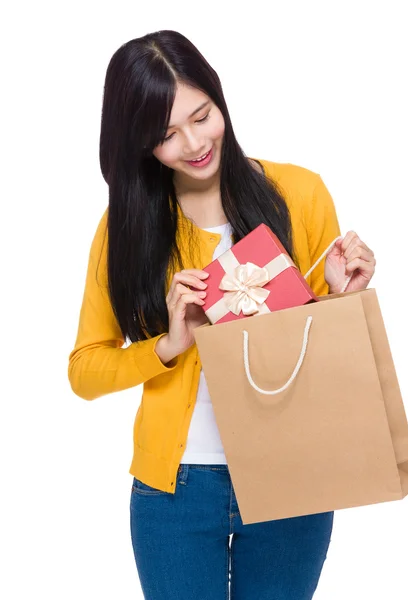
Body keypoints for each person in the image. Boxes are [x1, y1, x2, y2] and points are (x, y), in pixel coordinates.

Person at [68, 29, 376, 600]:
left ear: (219, 97)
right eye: (165, 134)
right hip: (176, 491)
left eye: (201, 115)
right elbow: (84, 370)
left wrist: (342, 296)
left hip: (293, 477)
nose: (192, 142)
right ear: (139, 143)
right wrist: (168, 346)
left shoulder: (299, 194)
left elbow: (333, 362)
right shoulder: (126, 228)